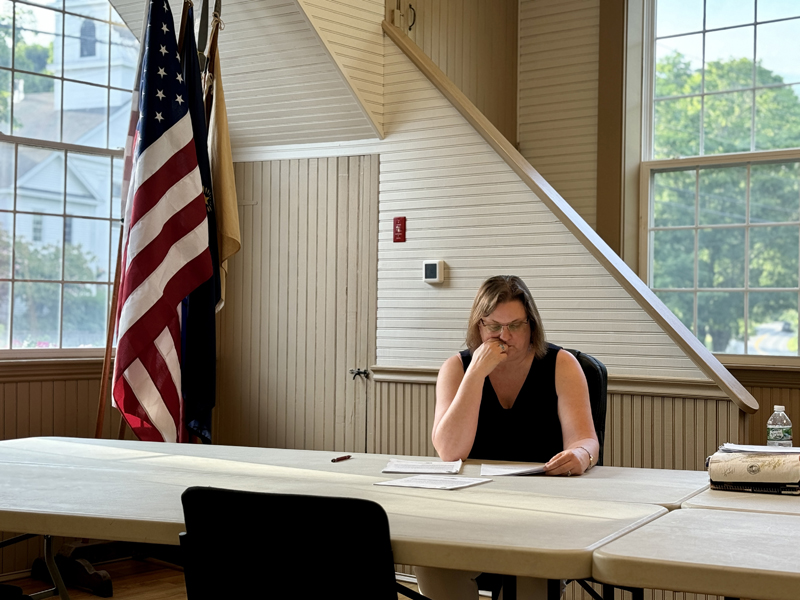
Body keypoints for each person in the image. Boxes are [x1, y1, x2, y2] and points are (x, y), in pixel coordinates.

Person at [415, 275, 599, 600]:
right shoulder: (457, 368)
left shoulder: (562, 364)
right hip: (472, 509)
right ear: (478, 327)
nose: (505, 336)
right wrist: (476, 373)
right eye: (493, 326)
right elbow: (449, 451)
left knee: (532, 574)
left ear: (532, 325)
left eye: (515, 325)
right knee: (432, 566)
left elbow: (585, 440)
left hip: (544, 510)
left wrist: (580, 456)